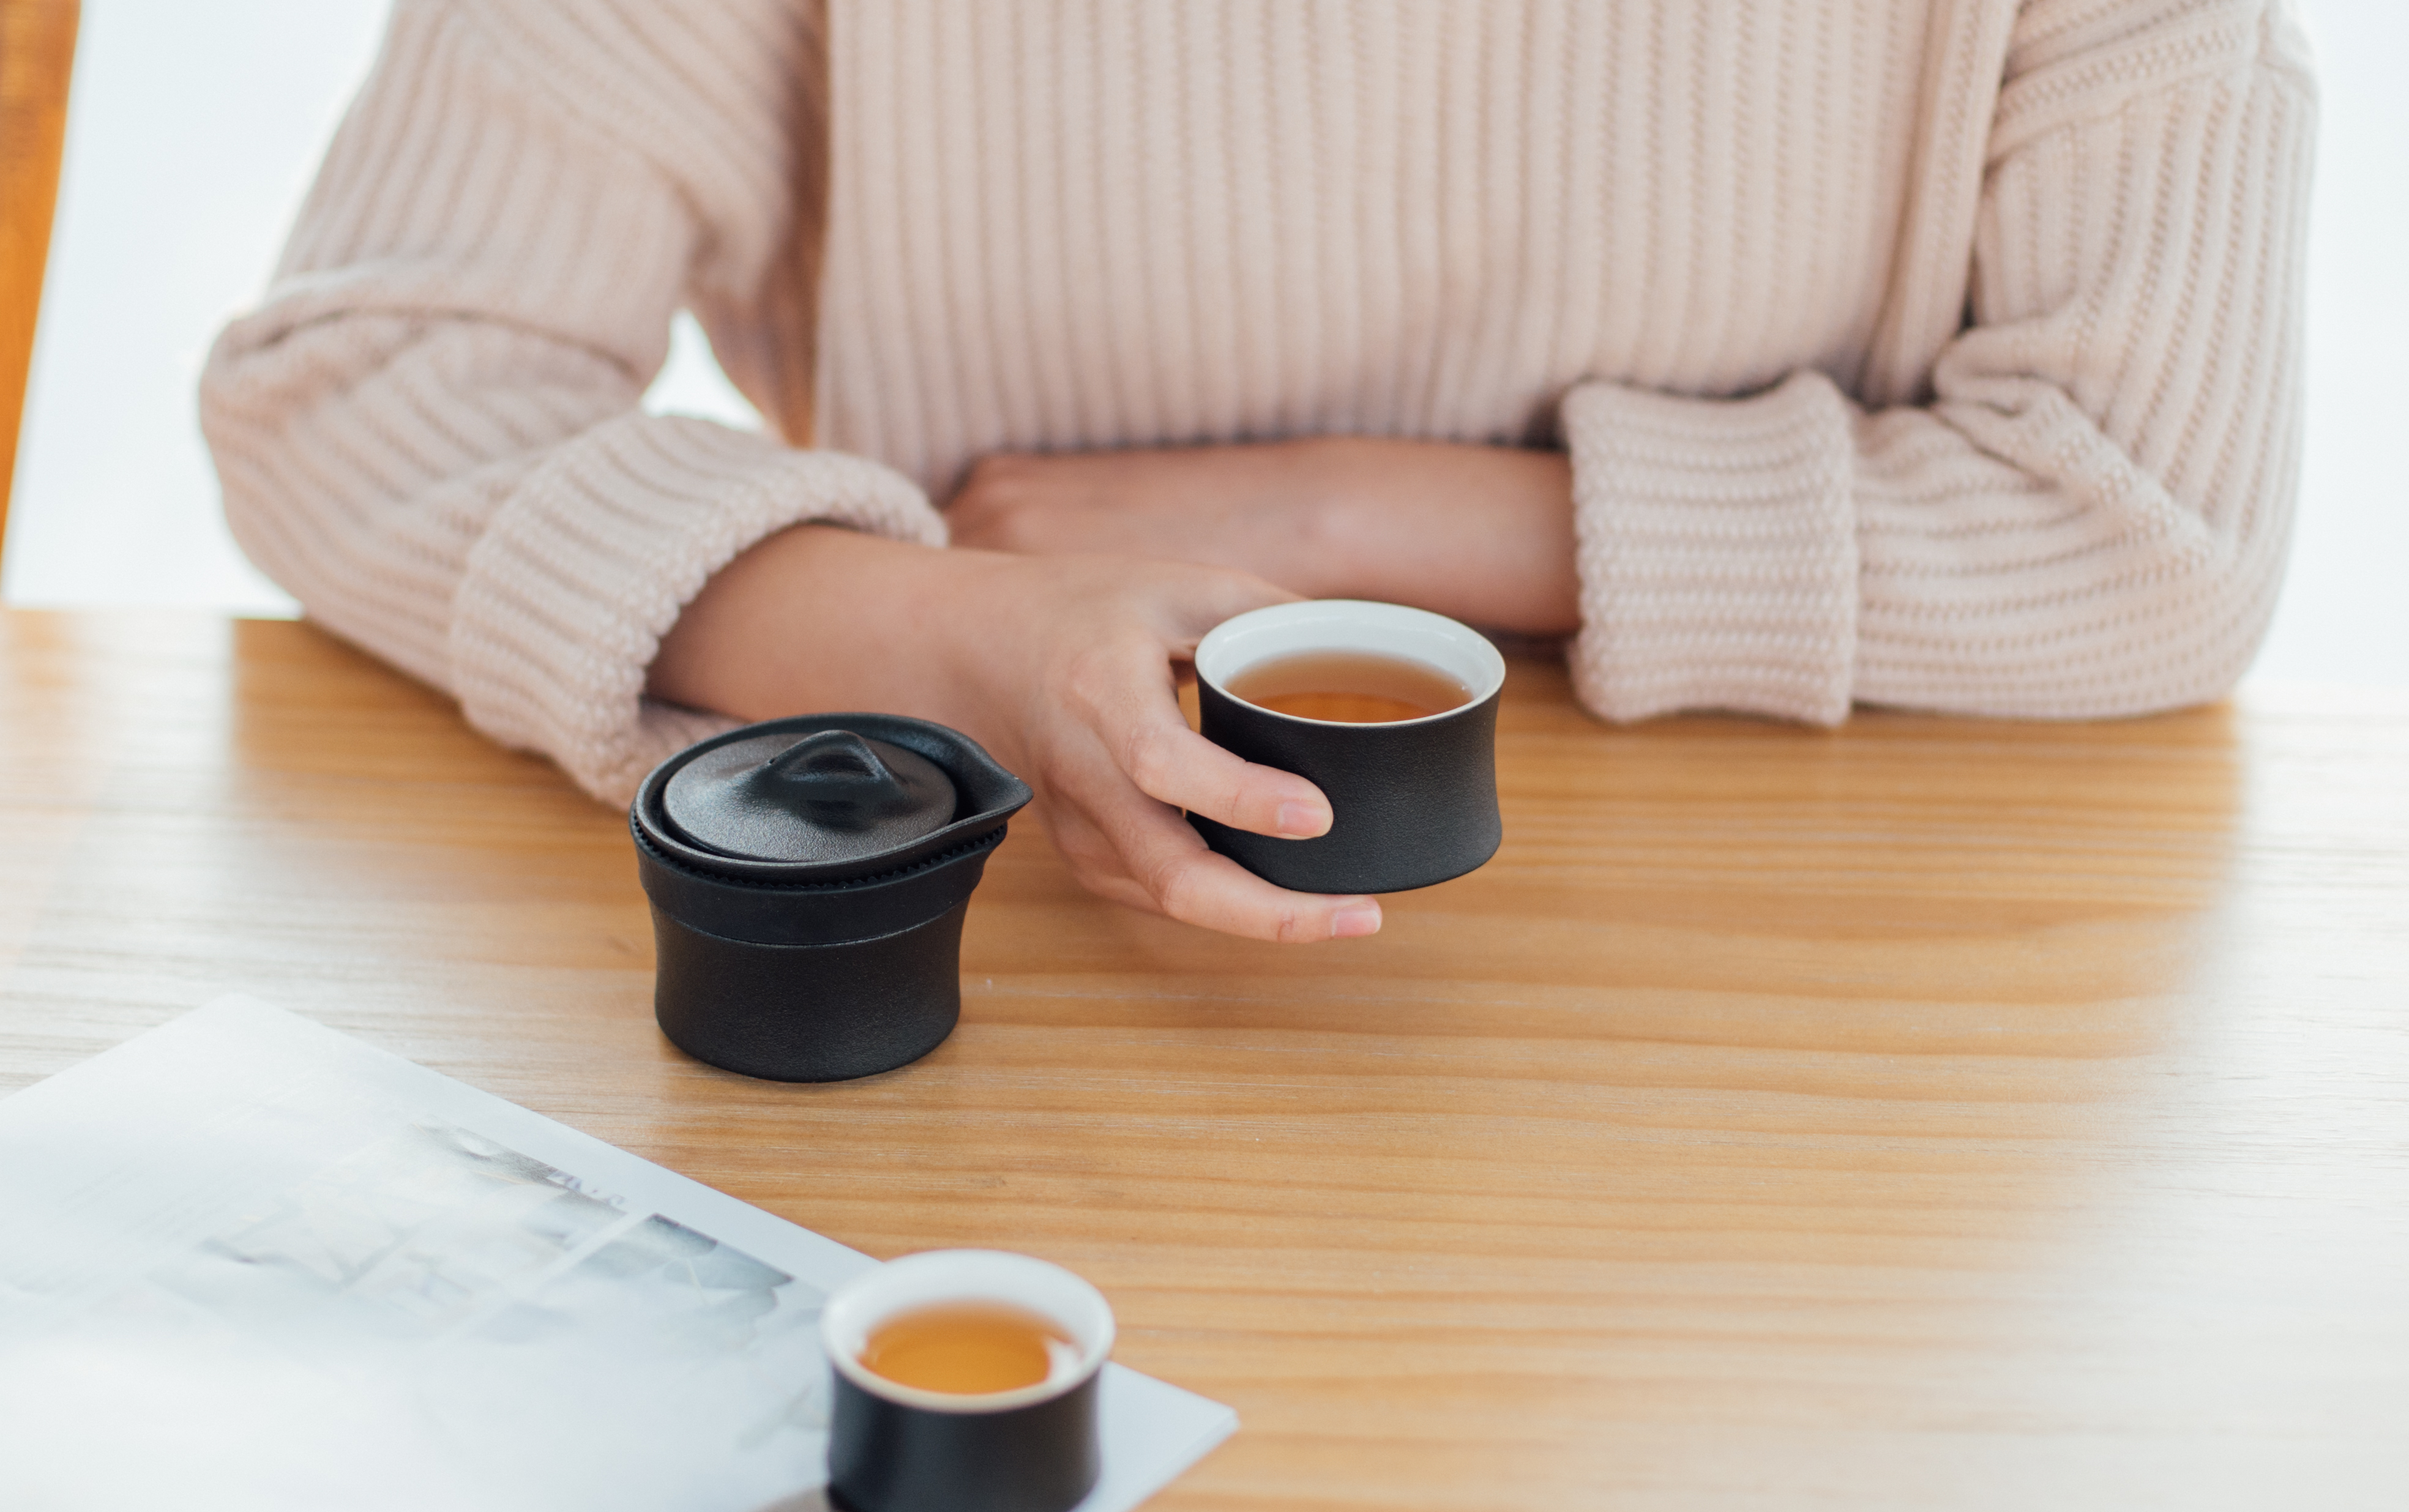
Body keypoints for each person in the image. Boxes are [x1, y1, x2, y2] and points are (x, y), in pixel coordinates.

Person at [201, 0, 2315, 944]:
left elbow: (2152, 533)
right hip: (1022, 968)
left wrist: (1317, 525)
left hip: (1812, 1017)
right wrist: (960, 634)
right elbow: (369, 382)